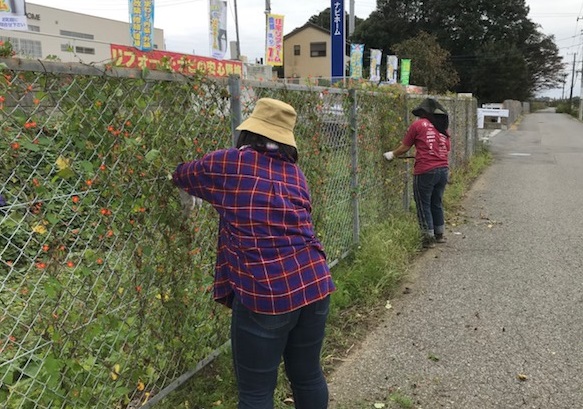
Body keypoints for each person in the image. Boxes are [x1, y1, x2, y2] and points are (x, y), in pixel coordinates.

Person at [172, 97, 335, 409]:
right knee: (308, 374)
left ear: (249, 132)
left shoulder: (230, 163)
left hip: (267, 292)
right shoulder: (294, 174)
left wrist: (179, 184)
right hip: (315, 282)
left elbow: (183, 174)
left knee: (257, 392)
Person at [383, 98, 451, 249]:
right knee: (436, 201)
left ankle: (428, 238)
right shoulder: (442, 128)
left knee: (423, 203)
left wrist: (392, 154)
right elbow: (446, 148)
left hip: (426, 170)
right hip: (443, 169)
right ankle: (439, 234)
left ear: (423, 113)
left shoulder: (418, 125)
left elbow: (404, 147)